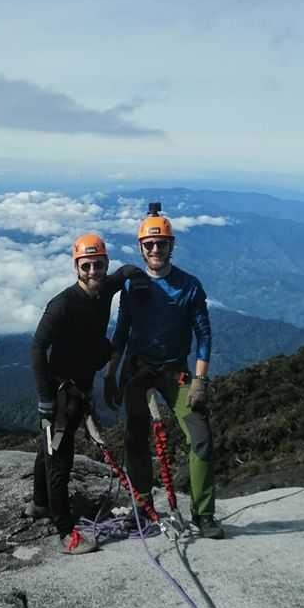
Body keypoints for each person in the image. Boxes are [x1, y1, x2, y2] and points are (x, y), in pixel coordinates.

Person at [104, 204, 225, 539]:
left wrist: (200, 380)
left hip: (176, 373)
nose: (155, 249)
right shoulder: (132, 286)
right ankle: (141, 508)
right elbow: (122, 331)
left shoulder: (189, 286)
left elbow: (204, 334)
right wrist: (110, 374)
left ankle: (204, 514)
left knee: (201, 438)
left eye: (161, 244)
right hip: (138, 369)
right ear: (141, 247)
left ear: (172, 245)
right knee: (135, 439)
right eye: (149, 244)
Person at [28, 234, 147, 554]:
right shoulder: (62, 305)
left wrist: (135, 274)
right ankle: (66, 533)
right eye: (86, 265)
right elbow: (38, 347)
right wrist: (45, 398)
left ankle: (40, 504)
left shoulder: (106, 286)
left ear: (105, 264)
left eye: (98, 264)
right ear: (76, 268)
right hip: (61, 390)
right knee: (60, 459)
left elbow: (122, 274)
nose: (93, 270)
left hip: (81, 384)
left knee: (47, 450)